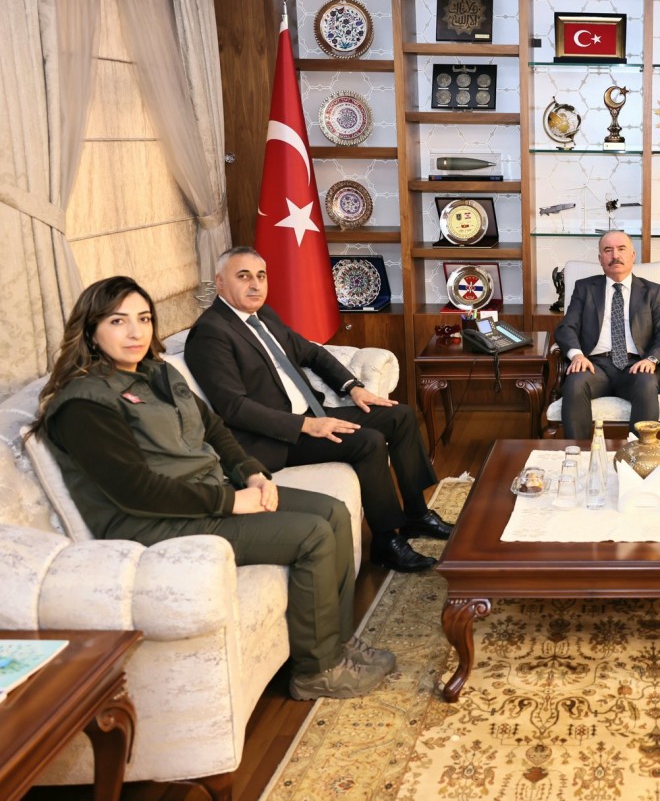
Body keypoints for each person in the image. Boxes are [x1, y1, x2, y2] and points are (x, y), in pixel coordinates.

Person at [33, 276, 394, 700]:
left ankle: (336, 642)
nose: (135, 332)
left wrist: (252, 474)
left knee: (332, 511)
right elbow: (136, 490)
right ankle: (317, 671)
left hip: (205, 493)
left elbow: (214, 428)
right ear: (91, 331)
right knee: (312, 535)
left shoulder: (157, 372)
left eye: (144, 319)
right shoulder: (83, 403)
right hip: (153, 523)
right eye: (118, 321)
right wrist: (231, 501)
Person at [185, 246, 450, 573]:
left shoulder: (263, 316)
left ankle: (416, 515)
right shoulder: (211, 333)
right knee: (367, 442)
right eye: (243, 276)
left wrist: (353, 387)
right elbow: (234, 408)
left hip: (313, 416)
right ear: (220, 282)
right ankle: (386, 542)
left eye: (261, 276)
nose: (255, 285)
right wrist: (305, 426)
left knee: (401, 416)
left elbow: (312, 353)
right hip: (276, 438)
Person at [554, 230, 660, 439]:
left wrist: (651, 359)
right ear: (600, 259)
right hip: (594, 365)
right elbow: (566, 327)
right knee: (575, 383)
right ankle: (579, 452)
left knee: (646, 382)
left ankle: (641, 452)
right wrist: (577, 355)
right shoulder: (585, 288)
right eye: (608, 250)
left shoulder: (652, 291)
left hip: (636, 365)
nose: (615, 255)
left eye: (621, 249)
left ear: (632, 255)